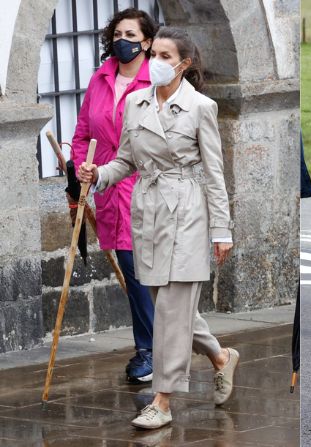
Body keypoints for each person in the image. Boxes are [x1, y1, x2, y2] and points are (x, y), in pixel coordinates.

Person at [78, 27, 239, 430]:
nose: (157, 62)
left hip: (186, 209)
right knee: (169, 307)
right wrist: (98, 174)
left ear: (184, 65)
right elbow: (126, 161)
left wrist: (221, 230)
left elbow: (215, 175)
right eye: (156, 53)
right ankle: (221, 357)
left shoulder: (201, 107)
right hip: (147, 210)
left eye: (168, 56)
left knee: (169, 311)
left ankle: (163, 401)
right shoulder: (135, 102)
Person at [71, 8, 158, 384]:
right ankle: (154, 347)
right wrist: (82, 169)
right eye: (118, 33)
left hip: (145, 189)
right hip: (107, 188)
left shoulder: (155, 81)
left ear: (147, 41)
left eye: (131, 34)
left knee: (140, 273)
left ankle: (151, 350)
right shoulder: (100, 78)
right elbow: (82, 133)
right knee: (133, 271)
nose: (123, 40)